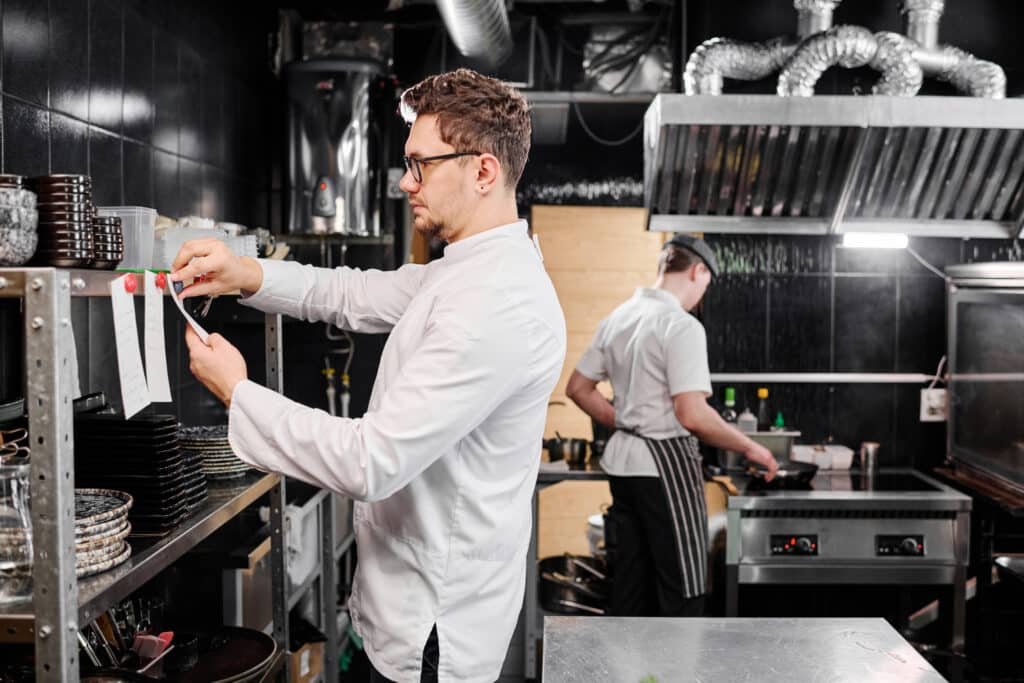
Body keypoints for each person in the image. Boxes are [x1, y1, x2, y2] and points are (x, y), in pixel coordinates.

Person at [170, 69, 566, 683]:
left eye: (421, 165)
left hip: (433, 635)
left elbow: (370, 462)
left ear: (483, 171)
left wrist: (238, 391)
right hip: (405, 607)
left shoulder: (499, 302)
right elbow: (351, 292)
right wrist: (246, 274)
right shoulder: (463, 270)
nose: (406, 183)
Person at [566, 234, 777, 617]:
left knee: (632, 587)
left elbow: (578, 389)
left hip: (624, 468)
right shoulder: (681, 326)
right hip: (664, 469)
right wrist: (751, 447)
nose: (701, 296)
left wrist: (628, 422)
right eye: (705, 286)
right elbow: (692, 414)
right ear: (698, 271)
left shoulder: (619, 317)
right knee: (683, 587)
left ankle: (629, 677)